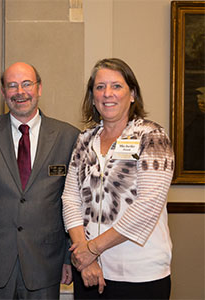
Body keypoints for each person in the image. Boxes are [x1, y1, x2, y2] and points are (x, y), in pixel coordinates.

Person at [0, 62, 79, 299]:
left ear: (39, 88)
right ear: (3, 93)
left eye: (26, 84)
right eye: (12, 86)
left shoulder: (68, 136)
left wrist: (67, 257)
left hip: (45, 262)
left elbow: (70, 203)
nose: (20, 92)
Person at [62, 58, 174, 299]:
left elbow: (147, 207)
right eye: (100, 87)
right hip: (89, 271)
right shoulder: (84, 140)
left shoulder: (152, 136)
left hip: (139, 275)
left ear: (132, 94)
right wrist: (85, 257)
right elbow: (70, 198)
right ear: (92, 97)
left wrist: (92, 249)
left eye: (116, 86)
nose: (107, 94)